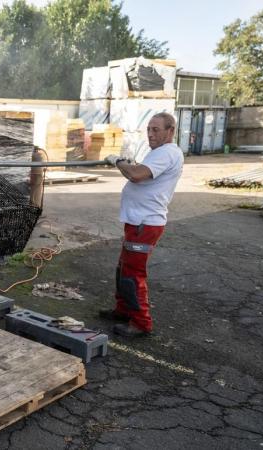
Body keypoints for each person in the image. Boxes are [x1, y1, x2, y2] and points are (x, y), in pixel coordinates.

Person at [100, 112, 184, 337]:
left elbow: (136, 175)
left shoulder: (167, 152)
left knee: (133, 273)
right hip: (138, 221)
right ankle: (123, 310)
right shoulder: (159, 153)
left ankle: (141, 323)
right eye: (148, 129)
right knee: (123, 268)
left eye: (156, 129)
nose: (150, 134)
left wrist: (119, 162)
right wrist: (127, 164)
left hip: (145, 223)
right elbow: (141, 172)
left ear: (170, 131)